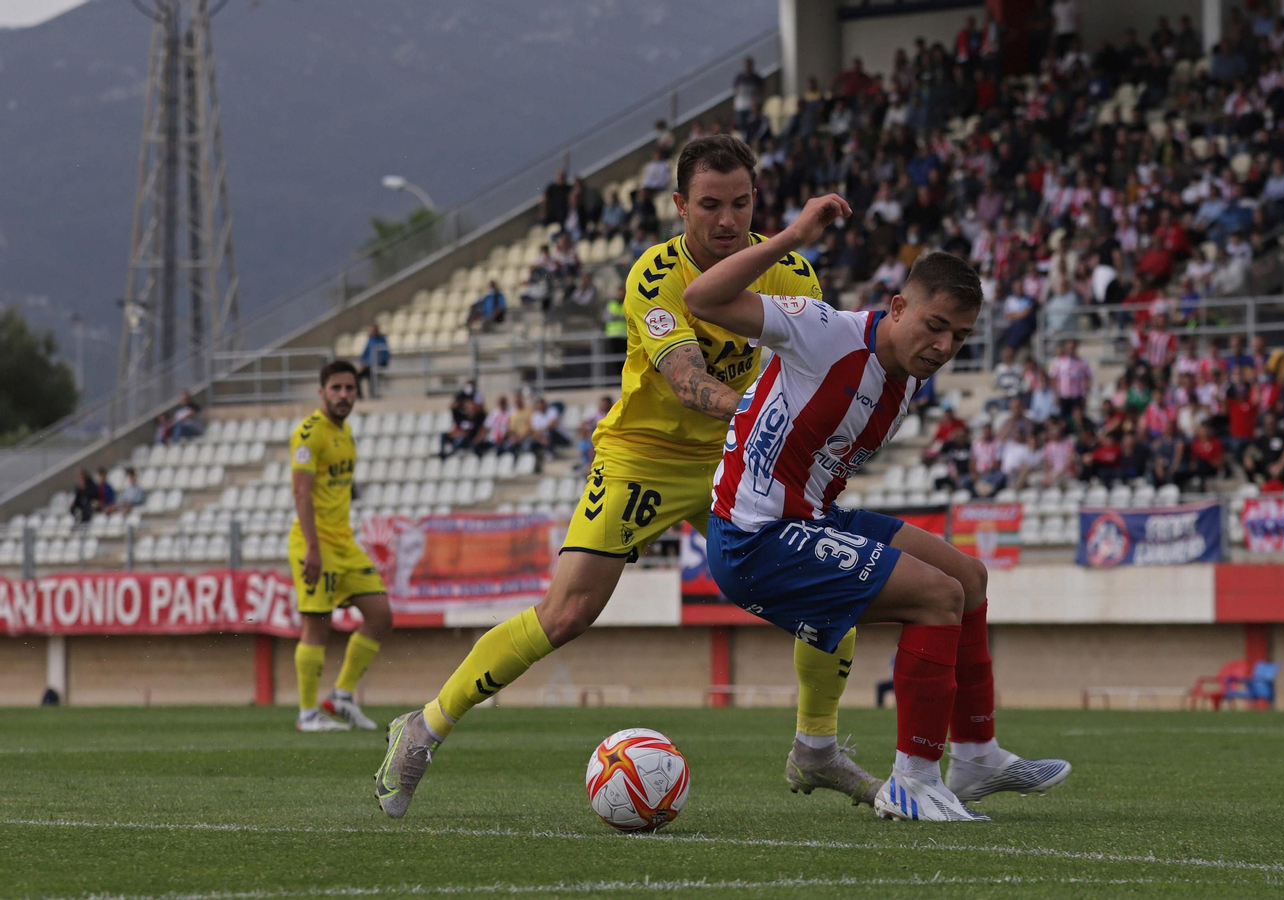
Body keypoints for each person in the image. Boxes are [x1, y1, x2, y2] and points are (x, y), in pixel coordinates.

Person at [376, 135, 876, 818]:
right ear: (679, 206)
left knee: (830, 596)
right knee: (569, 613)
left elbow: (809, 368)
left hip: (737, 457)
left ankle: (815, 749)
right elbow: (686, 379)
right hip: (646, 452)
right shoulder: (654, 275)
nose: (726, 221)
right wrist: (763, 415)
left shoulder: (788, 271)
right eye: (709, 205)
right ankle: (424, 728)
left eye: (740, 203)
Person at [684, 201, 1069, 821]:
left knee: (968, 579)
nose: (943, 347)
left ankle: (975, 756)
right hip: (754, 537)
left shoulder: (911, 372)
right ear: (896, 307)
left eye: (960, 337)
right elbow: (702, 298)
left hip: (811, 519)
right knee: (937, 596)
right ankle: (912, 779)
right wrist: (794, 237)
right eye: (935, 326)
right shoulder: (825, 330)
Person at [287, 361, 391, 733]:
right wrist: (313, 548)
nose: (344, 395)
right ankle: (307, 713)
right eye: (337, 388)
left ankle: (343, 696)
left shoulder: (345, 433)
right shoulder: (308, 434)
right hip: (315, 544)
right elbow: (301, 492)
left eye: (350, 388)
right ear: (322, 392)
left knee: (380, 615)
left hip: (345, 544)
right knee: (317, 625)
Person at [356, 323, 389, 399]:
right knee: (357, 375)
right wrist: (363, 363)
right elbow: (365, 353)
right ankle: (360, 396)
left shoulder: (382, 340)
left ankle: (373, 394)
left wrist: (377, 363)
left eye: (375, 330)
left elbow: (385, 354)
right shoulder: (370, 340)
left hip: (377, 365)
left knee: (371, 373)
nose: (373, 332)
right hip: (368, 365)